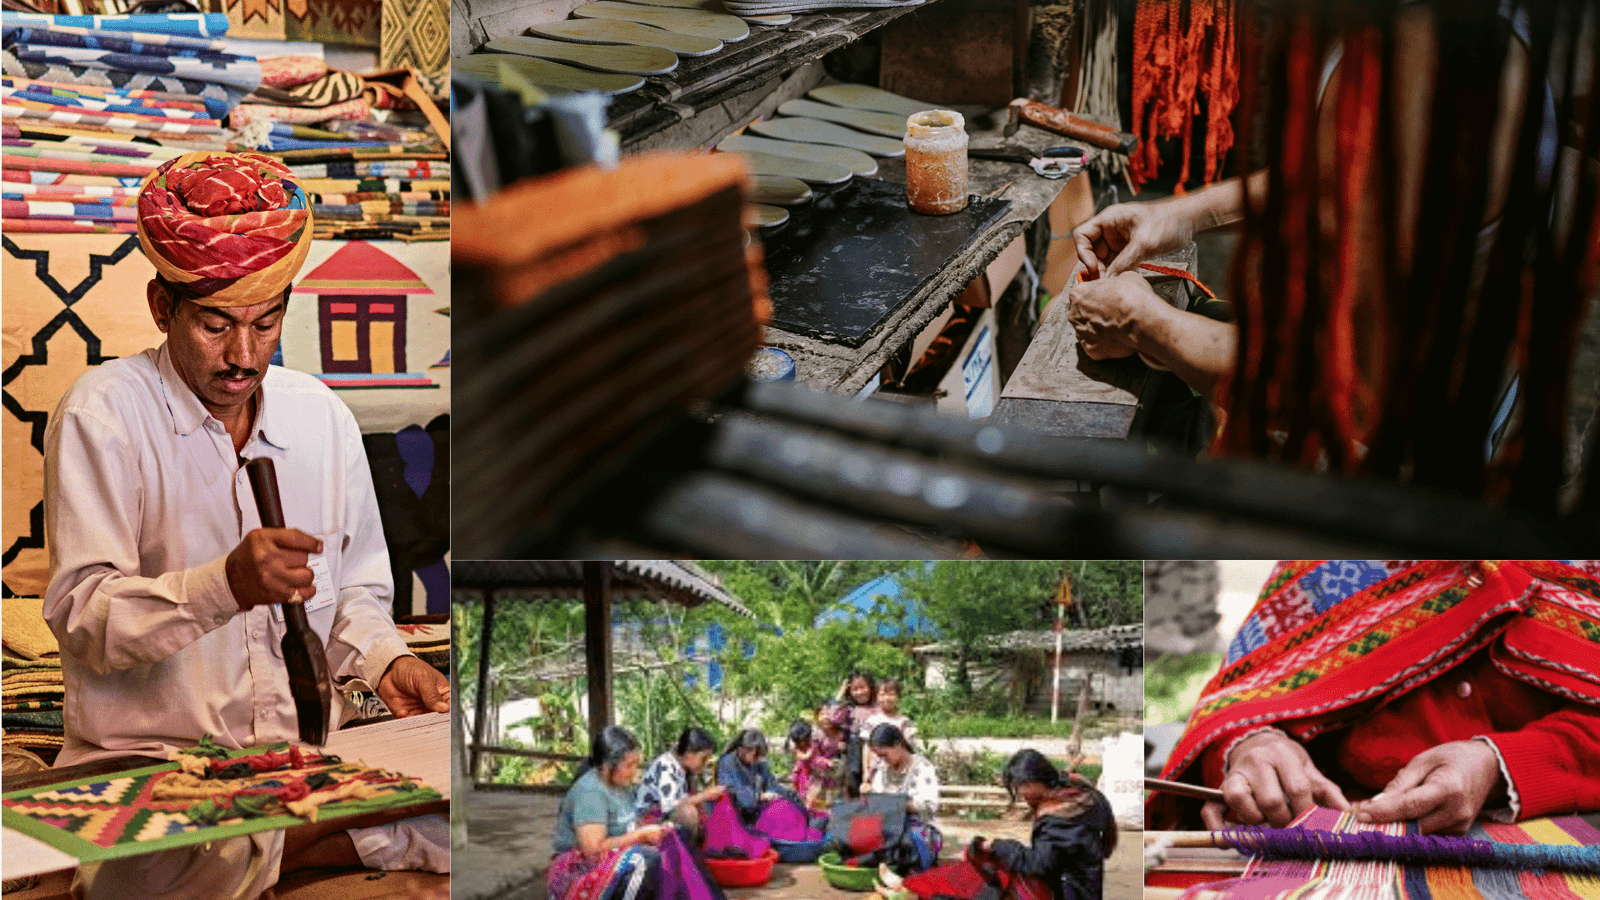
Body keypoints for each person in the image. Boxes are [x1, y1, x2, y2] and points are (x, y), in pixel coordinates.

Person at [41, 151, 450, 899]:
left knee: (488, 794)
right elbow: (83, 618)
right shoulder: (102, 415)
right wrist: (222, 586)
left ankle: (305, 839)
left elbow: (356, 591)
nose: (242, 356)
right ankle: (314, 844)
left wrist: (389, 661)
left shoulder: (320, 416)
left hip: (302, 764)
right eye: (215, 325)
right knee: (166, 861)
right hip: (158, 771)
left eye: (265, 324)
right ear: (162, 308)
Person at [1151, 560, 1600, 836]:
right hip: (1322, 839)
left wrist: (1501, 766)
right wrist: (1252, 747)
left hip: (1549, 842)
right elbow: (1242, 699)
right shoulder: (1338, 542)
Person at [967, 750, 1116, 900]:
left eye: (1024, 785)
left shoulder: (1060, 817)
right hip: (1087, 880)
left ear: (1039, 779)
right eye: (1018, 786)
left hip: (1072, 890)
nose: (1020, 792)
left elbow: (1039, 864)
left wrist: (997, 846)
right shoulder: (1077, 791)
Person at [551, 727, 672, 900]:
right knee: (644, 860)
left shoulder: (620, 785)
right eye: (629, 765)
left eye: (636, 764)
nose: (635, 771)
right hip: (577, 868)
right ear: (607, 766)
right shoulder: (591, 792)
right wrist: (640, 835)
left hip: (605, 858)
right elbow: (592, 849)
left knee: (667, 840)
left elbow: (628, 824)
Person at [635, 726, 728, 831]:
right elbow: (671, 805)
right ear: (689, 755)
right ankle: (687, 846)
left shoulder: (688, 769)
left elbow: (693, 797)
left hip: (665, 813)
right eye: (704, 758)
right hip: (648, 817)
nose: (706, 763)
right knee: (689, 813)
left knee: (709, 806)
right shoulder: (667, 764)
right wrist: (705, 795)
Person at [716, 728, 800, 821]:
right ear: (743, 749)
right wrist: (759, 796)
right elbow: (733, 793)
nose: (759, 759)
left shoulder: (759, 763)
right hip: (736, 817)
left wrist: (790, 797)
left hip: (757, 812)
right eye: (756, 754)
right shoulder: (727, 762)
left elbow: (772, 784)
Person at [834, 670, 881, 798]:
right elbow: (833, 718)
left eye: (863, 687)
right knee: (853, 787)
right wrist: (840, 695)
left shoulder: (877, 708)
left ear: (870, 687)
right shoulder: (848, 709)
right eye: (855, 689)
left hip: (875, 753)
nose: (859, 692)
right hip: (853, 756)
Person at [865, 678, 918, 785]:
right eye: (882, 694)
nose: (887, 698)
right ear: (876, 697)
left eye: (891, 694)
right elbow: (866, 747)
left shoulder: (905, 722)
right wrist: (866, 771)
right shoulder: (871, 721)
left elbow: (910, 748)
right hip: (875, 771)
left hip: (899, 772)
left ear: (899, 697)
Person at [787, 718, 837, 809]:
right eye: (799, 741)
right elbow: (804, 757)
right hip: (803, 774)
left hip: (815, 772)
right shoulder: (798, 750)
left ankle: (814, 807)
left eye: (805, 740)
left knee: (817, 790)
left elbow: (816, 759)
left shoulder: (813, 745)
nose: (803, 743)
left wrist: (826, 762)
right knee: (802, 794)